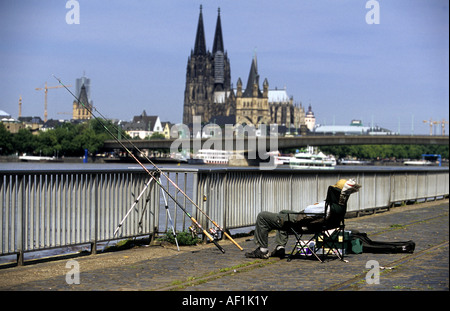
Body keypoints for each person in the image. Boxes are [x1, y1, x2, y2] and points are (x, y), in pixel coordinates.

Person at [245, 179, 361, 259]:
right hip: (316, 225)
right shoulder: (338, 207)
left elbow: (307, 210)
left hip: (301, 224)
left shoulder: (325, 207)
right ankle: (280, 247)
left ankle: (262, 250)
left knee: (262, 216)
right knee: (283, 212)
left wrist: (315, 205)